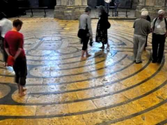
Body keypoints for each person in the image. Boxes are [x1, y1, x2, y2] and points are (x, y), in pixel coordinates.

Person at [4, 19, 27, 97]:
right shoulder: (19, 35)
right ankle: (21, 92)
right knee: (23, 73)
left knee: (17, 73)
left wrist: (10, 56)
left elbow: (6, 47)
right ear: (18, 26)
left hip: (13, 58)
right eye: (20, 26)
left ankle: (19, 89)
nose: (20, 28)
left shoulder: (7, 34)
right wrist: (15, 57)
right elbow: (20, 49)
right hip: (20, 57)